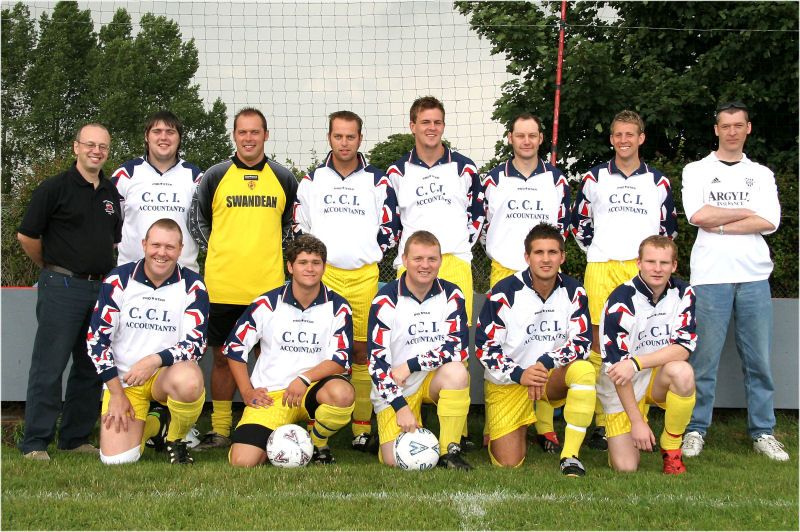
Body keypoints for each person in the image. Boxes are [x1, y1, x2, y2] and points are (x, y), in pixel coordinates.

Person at [680, 102, 788, 462]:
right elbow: (698, 215)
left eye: (738, 125)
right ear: (716, 130)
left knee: (759, 361)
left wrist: (722, 223)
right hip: (711, 277)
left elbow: (770, 220)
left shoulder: (760, 173)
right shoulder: (697, 170)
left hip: (755, 276)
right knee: (704, 361)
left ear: (748, 129)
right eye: (725, 126)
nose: (731, 131)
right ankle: (695, 430)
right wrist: (747, 212)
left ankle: (763, 432)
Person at [190, 107, 298, 450]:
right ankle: (221, 429)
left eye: (255, 132)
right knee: (223, 357)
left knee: (268, 358)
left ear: (266, 135)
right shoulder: (215, 175)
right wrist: (223, 249)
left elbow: (292, 226)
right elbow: (198, 222)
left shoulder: (283, 177)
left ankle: (268, 424)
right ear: (234, 136)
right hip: (223, 284)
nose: (249, 138)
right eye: (242, 132)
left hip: (268, 288)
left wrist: (266, 250)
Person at [292, 110, 399, 452]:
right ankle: (316, 421)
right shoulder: (310, 180)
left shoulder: (378, 181)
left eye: (350, 136)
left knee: (361, 349)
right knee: (321, 347)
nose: (344, 143)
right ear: (329, 138)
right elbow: (299, 226)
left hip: (364, 275)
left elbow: (391, 227)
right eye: (338, 136)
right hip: (325, 276)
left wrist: (368, 249)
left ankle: (361, 428)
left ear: (360, 139)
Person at [571, 110, 678, 450]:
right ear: (612, 138)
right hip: (601, 265)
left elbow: (668, 230)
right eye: (618, 134)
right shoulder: (594, 178)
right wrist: (601, 249)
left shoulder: (658, 182)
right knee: (601, 344)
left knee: (637, 344)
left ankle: (635, 417)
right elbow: (579, 223)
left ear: (641, 138)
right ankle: (603, 421)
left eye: (630, 134)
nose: (623, 140)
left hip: (639, 270)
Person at [16, 123, 122, 461]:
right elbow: (27, 236)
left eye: (103, 146)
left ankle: (75, 437)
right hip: (61, 286)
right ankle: (35, 442)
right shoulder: (54, 188)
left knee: (91, 366)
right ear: (76, 147)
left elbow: (113, 240)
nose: (96, 151)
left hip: (100, 288)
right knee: (49, 366)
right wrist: (52, 266)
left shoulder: (110, 192)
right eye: (90, 144)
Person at [480, 113, 571, 453]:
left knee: (547, 339)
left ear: (541, 138)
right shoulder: (492, 180)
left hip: (546, 272)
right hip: (505, 270)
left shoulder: (557, 180)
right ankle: (495, 421)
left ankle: (545, 426)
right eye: (520, 135)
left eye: (533, 135)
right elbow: (483, 224)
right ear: (510, 138)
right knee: (502, 347)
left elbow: (562, 227)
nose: (527, 141)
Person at [224, 234, 355, 467]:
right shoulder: (266, 303)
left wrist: (304, 379)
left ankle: (317, 442)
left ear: (324, 267)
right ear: (290, 267)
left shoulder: (338, 306)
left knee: (343, 393)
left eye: (316, 263)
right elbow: (234, 348)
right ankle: (280, 435)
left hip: (313, 391)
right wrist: (246, 391)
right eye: (303, 263)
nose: (310, 269)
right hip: (272, 396)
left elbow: (341, 359)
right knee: (242, 462)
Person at [86, 219, 209, 465]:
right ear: (144, 245)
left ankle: (176, 438)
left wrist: (154, 360)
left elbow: (195, 344)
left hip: (164, 375)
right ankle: (156, 424)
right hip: (125, 380)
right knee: (118, 460)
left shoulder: (193, 285)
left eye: (169, 247)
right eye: (156, 245)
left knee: (190, 381)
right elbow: (97, 341)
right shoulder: (118, 279)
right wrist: (117, 394)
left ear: (180, 249)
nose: (161, 253)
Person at [475, 223, 595, 476]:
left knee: (584, 369)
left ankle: (570, 456)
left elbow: (582, 341)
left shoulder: (575, 291)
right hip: (510, 381)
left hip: (549, 376)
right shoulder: (503, 292)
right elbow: (485, 347)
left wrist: (545, 363)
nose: (546, 259)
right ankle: (522, 425)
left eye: (553, 252)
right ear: (527, 257)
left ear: (562, 257)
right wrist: (520, 373)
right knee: (508, 462)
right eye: (539, 253)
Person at [367, 230, 472, 470]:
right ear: (404, 261)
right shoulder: (385, 300)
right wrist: (400, 407)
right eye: (418, 259)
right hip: (398, 385)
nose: (425, 265)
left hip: (432, 378)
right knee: (395, 460)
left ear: (440, 261)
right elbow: (376, 364)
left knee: (457, 372)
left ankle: (449, 451)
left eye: (431, 259)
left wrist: (413, 364)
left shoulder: (452, 294)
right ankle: (383, 434)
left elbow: (458, 349)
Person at [598, 235, 697, 474]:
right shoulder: (621, 299)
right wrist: (637, 422)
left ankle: (671, 447)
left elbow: (683, 348)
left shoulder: (684, 292)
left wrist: (637, 362)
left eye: (664, 263)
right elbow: (618, 370)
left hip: (654, 376)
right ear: (638, 263)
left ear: (674, 266)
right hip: (622, 381)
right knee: (626, 467)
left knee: (683, 373)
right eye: (651, 261)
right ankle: (639, 422)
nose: (657, 268)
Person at [386, 96, 483, 325]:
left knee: (456, 343)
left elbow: (477, 214)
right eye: (425, 122)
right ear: (413, 126)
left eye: (437, 122)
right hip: (412, 265)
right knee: (411, 336)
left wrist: (459, 243)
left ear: (443, 126)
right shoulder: (396, 172)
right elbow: (393, 223)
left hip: (456, 261)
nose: (432, 128)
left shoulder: (465, 168)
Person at [111, 110, 203, 272]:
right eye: (157, 131)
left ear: (179, 138)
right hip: (131, 277)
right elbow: (110, 225)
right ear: (147, 136)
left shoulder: (196, 178)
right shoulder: (125, 174)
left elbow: (205, 227)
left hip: (183, 277)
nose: (163, 137)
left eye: (170, 132)